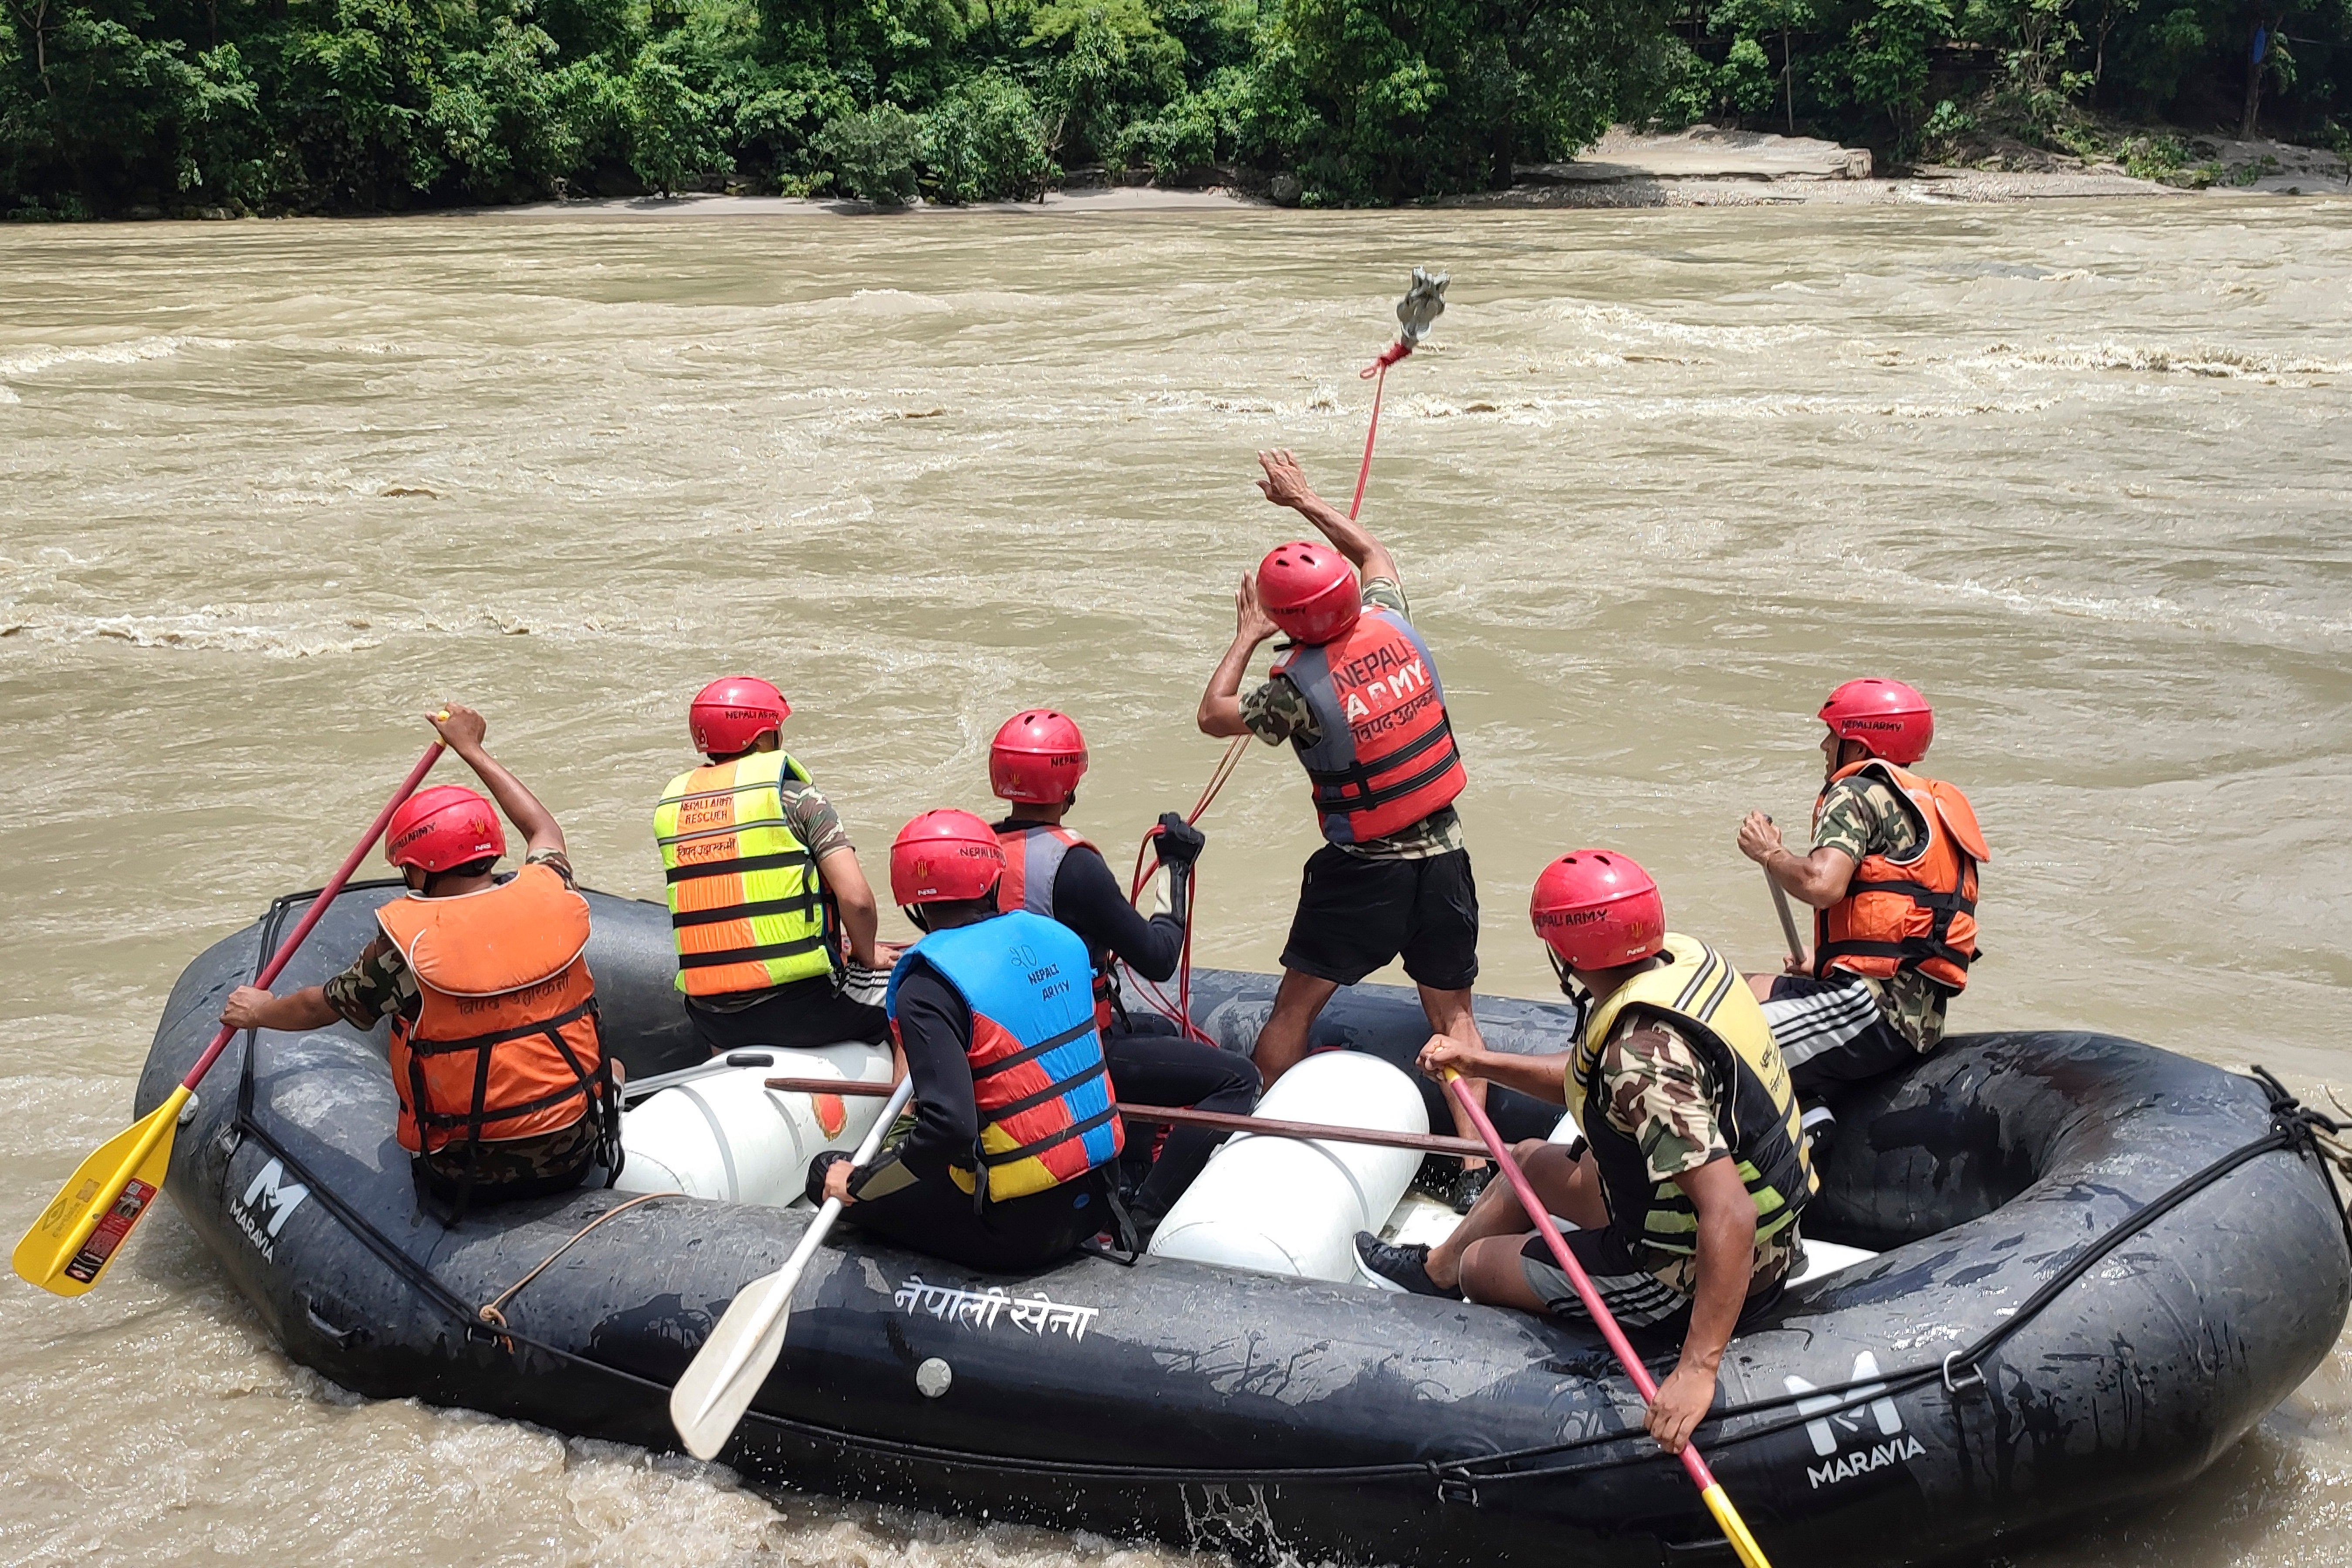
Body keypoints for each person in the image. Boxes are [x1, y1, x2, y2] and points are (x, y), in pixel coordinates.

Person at [1353, 851, 1813, 1456]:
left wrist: (1698, 1369)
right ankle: (1437, 1270)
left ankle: (1466, 1276)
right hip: (1724, 1220)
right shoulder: (1684, 968)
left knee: (1482, 1267)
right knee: (1528, 1160)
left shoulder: (1641, 1059)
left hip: (1689, 1270)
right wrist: (1479, 1062)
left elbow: (1730, 1211)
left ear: (1566, 957)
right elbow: (1588, 1076)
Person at [1194, 449, 1490, 1207]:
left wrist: (1247, 636)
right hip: (1445, 859)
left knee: (1294, 1007)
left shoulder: (1293, 691)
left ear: (1288, 621)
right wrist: (1303, 500)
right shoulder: (1392, 618)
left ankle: (1253, 1142)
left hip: (1363, 872)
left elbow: (1212, 716)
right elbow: (1375, 552)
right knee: (1455, 1016)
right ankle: (1474, 1172)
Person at [219, 704, 618, 1214]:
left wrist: (259, 1012)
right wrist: (472, 749)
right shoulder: (553, 890)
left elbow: (319, 1007)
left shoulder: (406, 950)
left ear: (419, 871)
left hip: (464, 1172)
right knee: (614, 1066)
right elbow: (544, 829)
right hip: (575, 1152)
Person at [807, 810, 1125, 1271]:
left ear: (910, 901)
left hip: (1015, 1230)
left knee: (826, 1170)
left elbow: (950, 1129)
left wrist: (858, 1183)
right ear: (994, 880)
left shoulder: (927, 986)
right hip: (1099, 1198)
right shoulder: (1063, 941)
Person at [987, 708, 1258, 1235]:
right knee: (1238, 1079)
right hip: (1073, 1054)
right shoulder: (1074, 866)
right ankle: (1146, 1212)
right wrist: (1175, 868)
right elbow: (1159, 957)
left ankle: (1127, 1170)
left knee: (1158, 1031)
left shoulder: (979, 851)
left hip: (1006, 1047)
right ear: (1070, 783)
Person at [1736, 678, 1990, 1101]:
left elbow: (1822, 884)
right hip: (1914, 1018)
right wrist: (1834, 960)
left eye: (1832, 735)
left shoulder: (1853, 792)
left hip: (1871, 1013)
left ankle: (1804, 1122)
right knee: (1727, 989)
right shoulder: (1924, 806)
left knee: (1709, 1042)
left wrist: (1770, 853)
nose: (1824, 746)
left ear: (1858, 747)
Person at [653, 676, 896, 1055]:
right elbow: (857, 900)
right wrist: (867, 954)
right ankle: (910, 1097)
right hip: (801, 1007)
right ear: (763, 737)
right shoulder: (797, 799)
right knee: (916, 997)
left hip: (712, 1018)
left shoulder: (675, 811)